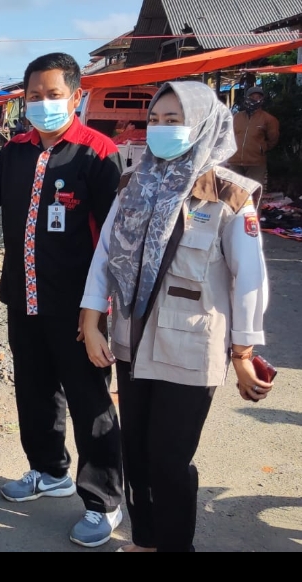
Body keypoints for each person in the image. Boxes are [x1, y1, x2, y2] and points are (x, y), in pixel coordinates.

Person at [0, 53, 125, 548]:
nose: (43, 103)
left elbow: (115, 242)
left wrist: (97, 314)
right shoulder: (15, 151)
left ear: (76, 97)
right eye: (34, 95)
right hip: (25, 297)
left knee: (89, 400)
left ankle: (104, 501)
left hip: (80, 307)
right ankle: (48, 470)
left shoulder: (98, 154)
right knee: (34, 392)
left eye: (54, 94)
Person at [80, 81, 272, 553]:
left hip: (191, 346)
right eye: (157, 121)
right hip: (131, 338)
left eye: (175, 121)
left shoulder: (228, 195)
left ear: (204, 124)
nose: (163, 130)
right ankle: (145, 541)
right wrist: (90, 322)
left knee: (169, 460)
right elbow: (104, 256)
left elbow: (249, 278)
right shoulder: (133, 184)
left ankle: (173, 547)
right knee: (137, 455)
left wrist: (243, 352)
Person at [228, 86, 279, 207]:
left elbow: (273, 139)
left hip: (255, 162)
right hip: (235, 161)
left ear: (262, 99)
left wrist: (261, 149)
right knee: (233, 193)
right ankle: (234, 222)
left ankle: (253, 223)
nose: (255, 99)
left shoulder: (269, 119)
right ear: (247, 98)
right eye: (252, 96)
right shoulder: (237, 117)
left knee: (254, 194)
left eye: (258, 97)